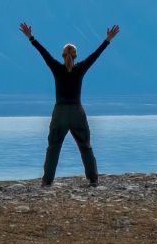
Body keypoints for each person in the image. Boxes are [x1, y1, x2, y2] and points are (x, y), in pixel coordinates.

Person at [19, 21, 120, 188]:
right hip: (76, 112)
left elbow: (43, 53)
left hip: (60, 112)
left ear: (62, 55)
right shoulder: (80, 68)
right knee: (85, 146)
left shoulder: (56, 68)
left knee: (53, 147)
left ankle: (47, 181)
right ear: (75, 55)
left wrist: (31, 37)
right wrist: (107, 39)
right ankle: (93, 179)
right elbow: (95, 55)